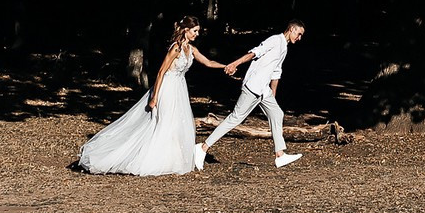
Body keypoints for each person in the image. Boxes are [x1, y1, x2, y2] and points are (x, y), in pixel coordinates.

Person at [77, 16, 226, 176]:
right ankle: (149, 159)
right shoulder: (175, 49)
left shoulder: (192, 49)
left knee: (176, 123)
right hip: (167, 88)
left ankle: (171, 159)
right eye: (195, 31)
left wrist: (227, 66)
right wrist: (155, 97)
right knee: (164, 122)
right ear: (186, 30)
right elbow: (161, 72)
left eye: (198, 31)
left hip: (179, 89)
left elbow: (208, 62)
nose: (197, 34)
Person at [201, 19, 306, 169]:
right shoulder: (275, 40)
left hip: (264, 91)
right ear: (292, 29)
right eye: (299, 34)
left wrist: (272, 96)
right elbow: (254, 52)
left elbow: (276, 72)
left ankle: (280, 155)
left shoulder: (284, 47)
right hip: (253, 86)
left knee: (277, 114)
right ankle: (203, 147)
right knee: (235, 118)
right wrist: (234, 64)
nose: (300, 38)